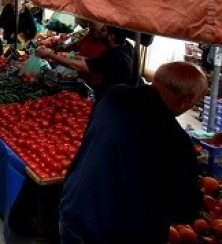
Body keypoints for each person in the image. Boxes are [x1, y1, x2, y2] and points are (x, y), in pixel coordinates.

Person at [59, 62, 206, 243]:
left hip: (74, 209)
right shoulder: (174, 139)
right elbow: (183, 209)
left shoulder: (114, 95)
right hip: (113, 232)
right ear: (186, 100)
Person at [37, 25, 134, 100]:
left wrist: (50, 55)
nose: (99, 32)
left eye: (104, 30)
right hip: (119, 94)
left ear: (111, 36)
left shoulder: (113, 56)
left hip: (112, 97)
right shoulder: (127, 47)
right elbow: (91, 62)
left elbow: (80, 66)